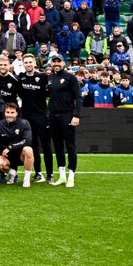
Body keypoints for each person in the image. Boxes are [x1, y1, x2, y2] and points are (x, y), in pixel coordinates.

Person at [47, 55, 82, 188]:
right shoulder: (49, 77)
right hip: (53, 116)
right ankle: (62, 176)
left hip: (67, 115)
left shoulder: (70, 77)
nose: (56, 64)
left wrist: (76, 115)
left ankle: (71, 176)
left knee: (70, 146)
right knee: (57, 146)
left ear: (63, 63)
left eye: (58, 61)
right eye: (54, 61)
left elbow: (78, 97)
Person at [18, 53, 53, 182]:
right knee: (33, 146)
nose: (28, 64)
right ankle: (38, 173)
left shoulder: (43, 77)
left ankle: (50, 175)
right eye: (25, 62)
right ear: (23, 64)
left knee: (46, 146)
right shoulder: (20, 78)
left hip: (42, 115)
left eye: (30, 62)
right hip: (27, 117)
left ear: (34, 63)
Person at [0, 102, 35, 188]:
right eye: (7, 112)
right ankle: (12, 173)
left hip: (20, 155)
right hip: (6, 156)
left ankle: (26, 179)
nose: (10, 115)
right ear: (4, 113)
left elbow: (27, 140)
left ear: (17, 113)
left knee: (28, 150)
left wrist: (11, 147)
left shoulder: (24, 123)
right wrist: (0, 154)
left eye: (12, 112)